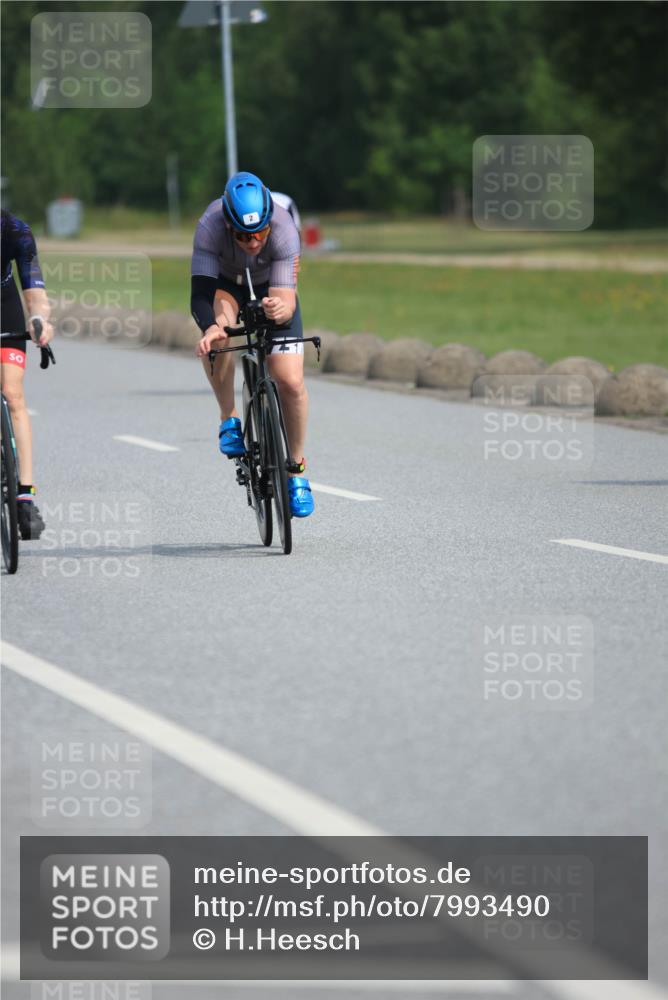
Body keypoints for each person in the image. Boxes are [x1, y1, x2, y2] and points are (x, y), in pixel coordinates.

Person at [190, 171, 314, 518]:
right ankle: (228, 416)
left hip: (271, 283)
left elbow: (287, 299)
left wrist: (280, 307)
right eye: (245, 235)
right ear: (229, 226)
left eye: (260, 231)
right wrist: (212, 327)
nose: (254, 240)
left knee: (289, 380)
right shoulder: (209, 227)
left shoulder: (284, 226)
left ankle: (297, 470)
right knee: (218, 334)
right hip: (227, 285)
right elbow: (200, 294)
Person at [0, 209, 55, 539]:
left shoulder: (16, 231)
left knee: (12, 392)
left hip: (3, 306)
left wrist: (39, 320)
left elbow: (35, 290)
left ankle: (24, 496)